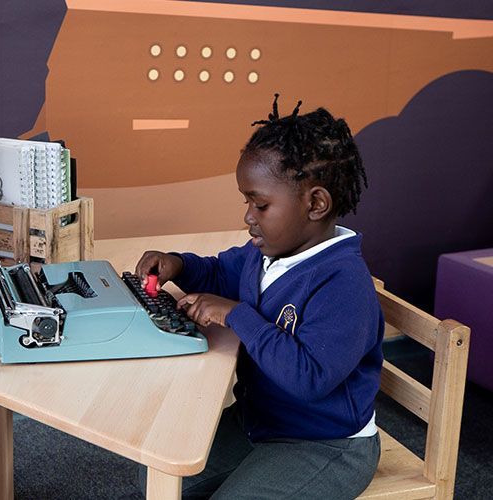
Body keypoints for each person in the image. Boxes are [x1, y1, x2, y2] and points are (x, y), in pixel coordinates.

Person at [136, 95, 384, 499]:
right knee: (156, 480)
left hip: (325, 444)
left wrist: (238, 315)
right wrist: (178, 264)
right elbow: (220, 271)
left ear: (316, 204)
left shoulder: (344, 285)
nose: (248, 216)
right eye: (246, 201)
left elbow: (309, 379)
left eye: (261, 204)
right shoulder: (266, 254)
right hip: (260, 422)